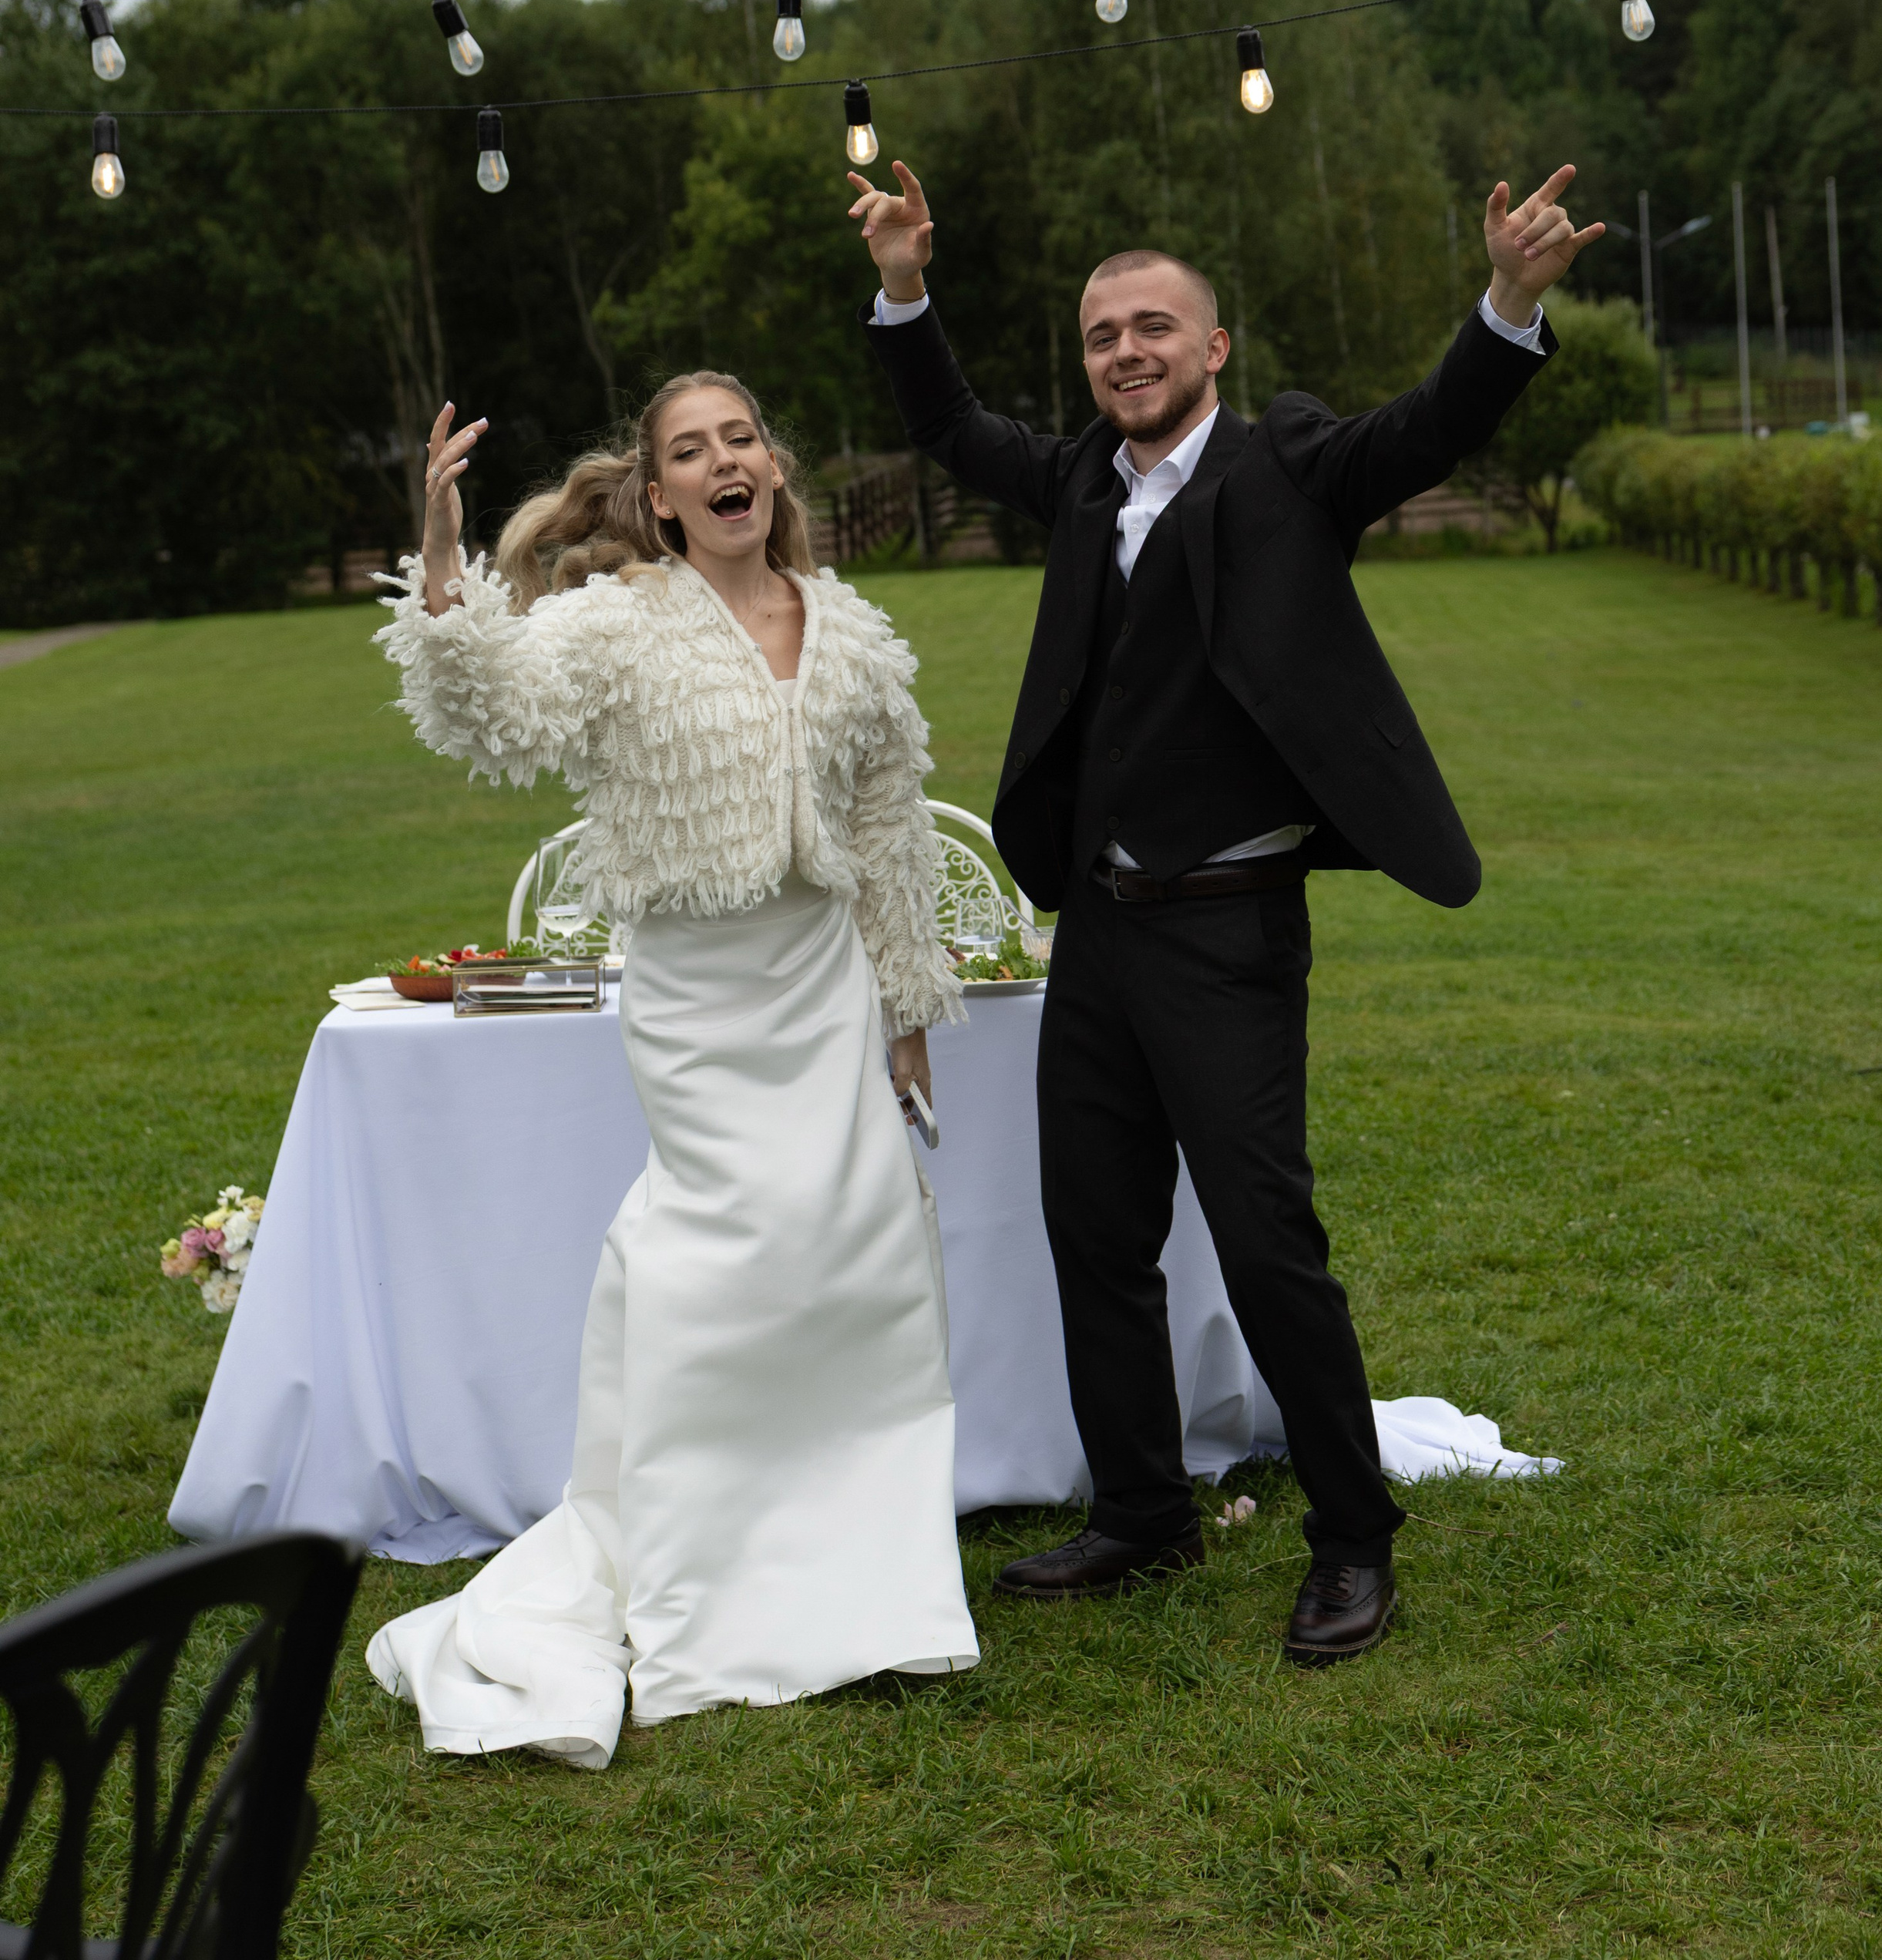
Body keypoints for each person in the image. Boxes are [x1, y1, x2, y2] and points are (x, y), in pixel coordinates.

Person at [852, 160, 1601, 1666]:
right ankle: (1142, 1511)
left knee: (1264, 1243)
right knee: (1093, 1231)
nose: (1123, 351)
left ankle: (1352, 1537)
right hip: (1096, 933)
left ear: (1213, 346)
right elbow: (948, 425)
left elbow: (1428, 427)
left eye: (1151, 327)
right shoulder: (1080, 480)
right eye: (1099, 335)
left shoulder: (1288, 466)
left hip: (1230, 929)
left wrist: (1506, 304)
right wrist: (905, 288)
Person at [364, 370, 977, 1763]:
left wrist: (907, 1010)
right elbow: (490, 711)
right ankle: (707, 1602)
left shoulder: (853, 633)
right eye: (691, 451)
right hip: (701, 1006)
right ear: (660, 498)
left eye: (740, 438)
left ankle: (875, 1588)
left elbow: (890, 831)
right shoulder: (618, 622)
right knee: (718, 1269)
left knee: (863, 1264)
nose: (722, 462)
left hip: (825, 989)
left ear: (776, 466)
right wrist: (444, 555)